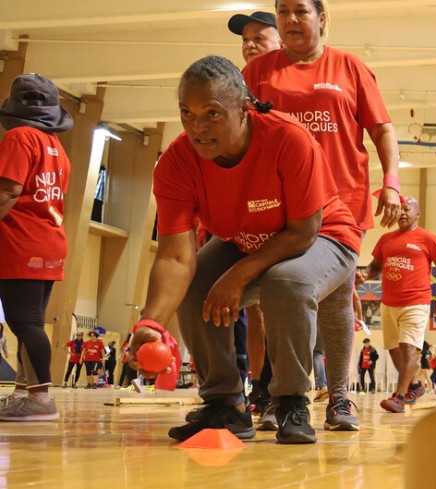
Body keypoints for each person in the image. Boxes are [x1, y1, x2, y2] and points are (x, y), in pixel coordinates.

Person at [129, 55, 361, 444]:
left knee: (285, 282)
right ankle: (227, 404)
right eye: (187, 113)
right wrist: (150, 323)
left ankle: (289, 399)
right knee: (198, 282)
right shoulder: (175, 163)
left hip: (324, 235)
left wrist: (236, 277)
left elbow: (303, 232)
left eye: (212, 114)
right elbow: (174, 256)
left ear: (245, 109)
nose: (197, 127)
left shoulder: (289, 139)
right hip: (246, 239)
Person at [243, 0, 405, 431]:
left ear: (322, 18)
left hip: (342, 202)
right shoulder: (258, 72)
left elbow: (382, 130)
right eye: (284, 12)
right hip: (280, 207)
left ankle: (338, 398)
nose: (292, 19)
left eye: (301, 11)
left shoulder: (349, 68)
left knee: (335, 298)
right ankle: (279, 394)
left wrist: (391, 181)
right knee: (281, 296)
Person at [0, 73, 72, 421]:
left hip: (20, 240)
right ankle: (24, 394)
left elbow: (8, 192)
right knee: (32, 322)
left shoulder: (19, 137)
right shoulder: (56, 146)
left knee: (24, 322)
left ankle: (41, 398)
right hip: (50, 241)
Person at [228, 10, 284, 418]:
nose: (249, 44)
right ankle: (257, 386)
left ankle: (282, 386)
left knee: (280, 305)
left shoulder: (287, 86)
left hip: (288, 212)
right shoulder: (235, 88)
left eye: (258, 37)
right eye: (245, 38)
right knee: (254, 310)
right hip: (245, 210)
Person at [363, 197, 436, 413]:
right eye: (399, 209)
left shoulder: (428, 238)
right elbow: (375, 265)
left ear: (417, 214)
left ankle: (400, 398)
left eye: (407, 209)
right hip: (389, 303)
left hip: (416, 302)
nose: (402, 213)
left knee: (409, 349)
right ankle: (414, 386)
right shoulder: (386, 239)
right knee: (394, 349)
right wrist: (364, 274)